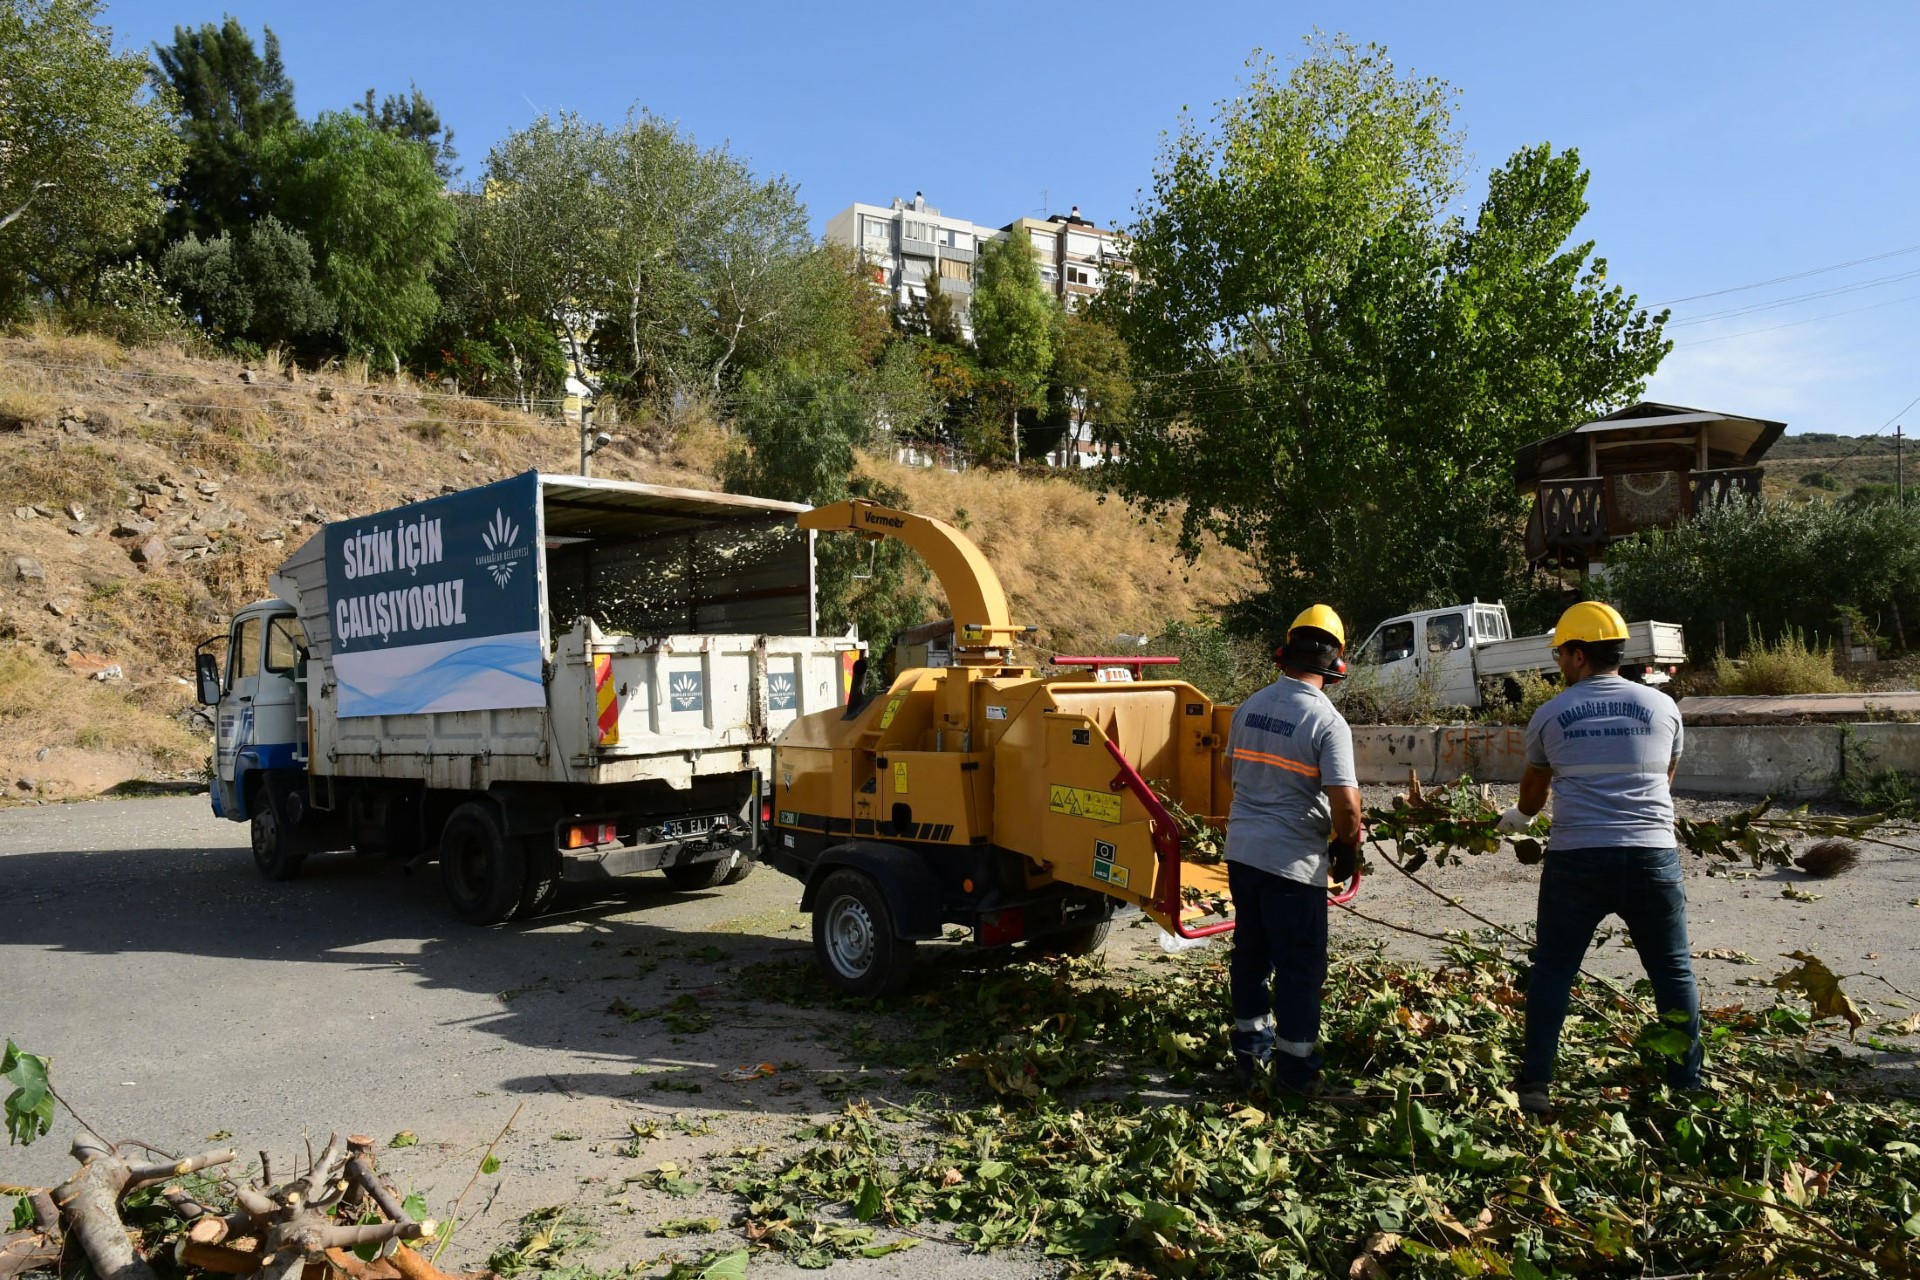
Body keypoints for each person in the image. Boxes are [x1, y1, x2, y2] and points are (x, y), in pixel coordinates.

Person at [1495, 601, 1699, 1114]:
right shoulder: (1663, 708)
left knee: (1555, 971)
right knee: (1673, 973)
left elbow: (1535, 791)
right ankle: (1687, 1087)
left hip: (1578, 861)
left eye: (1561, 653)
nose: (1558, 661)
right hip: (1653, 857)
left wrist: (1517, 819)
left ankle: (1536, 1085)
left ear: (1579, 655)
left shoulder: (1551, 714)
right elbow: (1664, 781)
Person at [1224, 604, 1364, 1095]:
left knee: (1251, 955)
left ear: (1287, 652)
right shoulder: (1327, 722)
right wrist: (1349, 847)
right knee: (1300, 969)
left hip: (1242, 855)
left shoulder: (1249, 707)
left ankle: (1249, 1055)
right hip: (1292, 865)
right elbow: (1346, 805)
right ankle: (1297, 1073)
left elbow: (1231, 776)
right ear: (1336, 661)